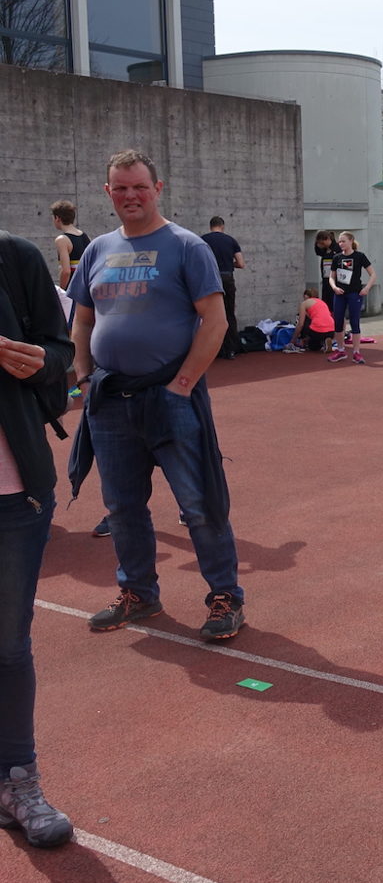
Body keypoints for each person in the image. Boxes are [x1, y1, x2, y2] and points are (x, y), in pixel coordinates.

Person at [69, 149, 246, 643]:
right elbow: (82, 321)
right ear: (108, 192)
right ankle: (139, 593)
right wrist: (84, 377)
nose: (131, 196)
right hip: (110, 401)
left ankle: (225, 597)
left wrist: (181, 386)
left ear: (158, 189)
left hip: (170, 399)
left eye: (139, 187)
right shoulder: (97, 250)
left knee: (199, 504)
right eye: (121, 188)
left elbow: (215, 322)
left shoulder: (187, 246)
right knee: (122, 507)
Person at [0, 231, 75, 846]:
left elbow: (60, 353)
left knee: (7, 645)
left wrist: (40, 360)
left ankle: (17, 780)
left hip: (11, 491)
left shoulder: (14, 258)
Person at [326, 232, 377, 363]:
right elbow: (331, 277)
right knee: (338, 322)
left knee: (355, 322)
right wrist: (334, 287)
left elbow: (373, 274)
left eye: (343, 241)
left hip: (355, 294)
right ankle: (341, 351)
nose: (340, 244)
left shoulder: (359, 256)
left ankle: (356, 352)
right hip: (339, 294)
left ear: (351, 241)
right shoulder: (337, 257)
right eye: (339, 241)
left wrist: (366, 288)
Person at [201, 217, 245, 360]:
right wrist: (230, 263)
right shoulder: (231, 241)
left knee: (210, 315)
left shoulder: (202, 240)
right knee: (229, 314)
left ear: (210, 226)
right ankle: (231, 349)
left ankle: (213, 350)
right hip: (227, 278)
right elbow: (241, 263)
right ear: (222, 226)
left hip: (210, 280)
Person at [50, 200, 92, 293]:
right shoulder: (86, 236)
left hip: (73, 291)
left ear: (57, 218)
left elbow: (66, 271)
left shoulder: (62, 240)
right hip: (86, 289)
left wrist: (62, 292)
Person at [283, 288, 335, 353]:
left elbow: (300, 324)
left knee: (313, 346)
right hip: (331, 330)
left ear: (305, 296)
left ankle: (316, 341)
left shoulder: (304, 304)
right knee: (317, 332)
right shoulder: (322, 302)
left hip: (317, 331)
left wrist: (292, 341)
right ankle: (324, 340)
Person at [314, 230, 337, 306]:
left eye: (322, 243)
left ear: (327, 239)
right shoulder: (325, 250)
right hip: (325, 278)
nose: (321, 245)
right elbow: (318, 252)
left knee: (333, 301)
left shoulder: (337, 249)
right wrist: (317, 244)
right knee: (326, 301)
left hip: (335, 279)